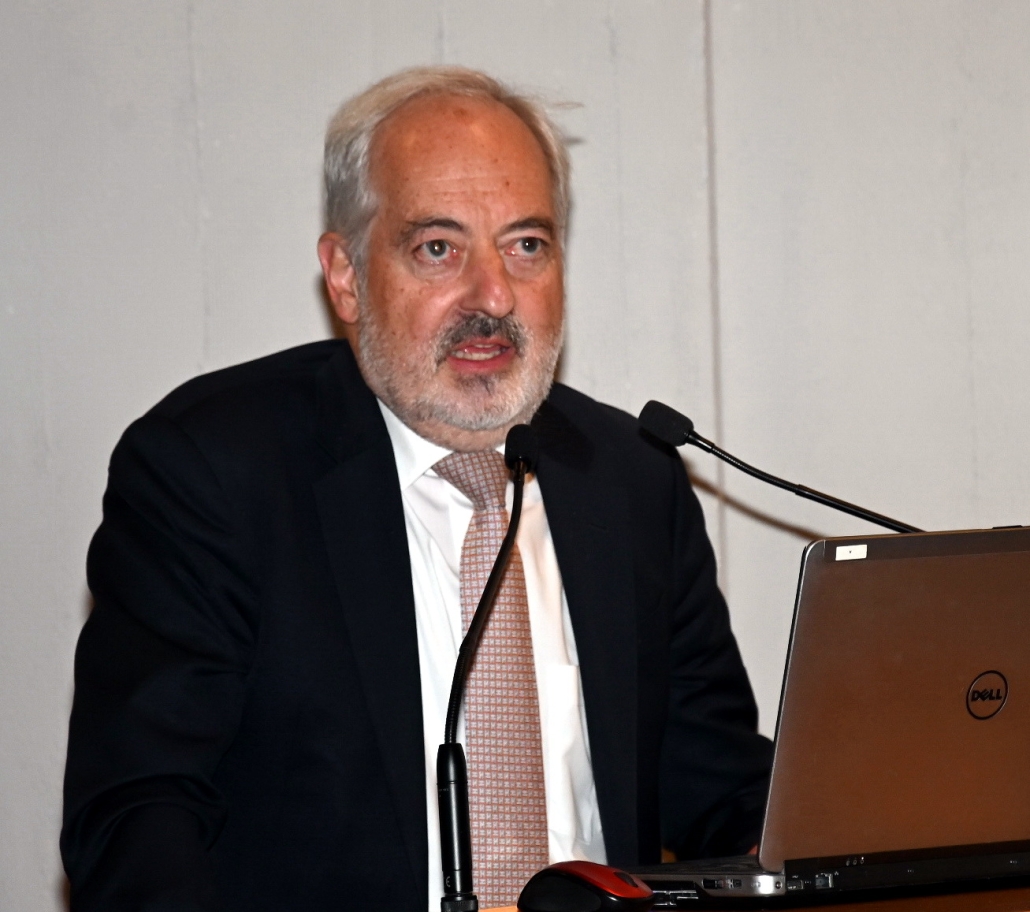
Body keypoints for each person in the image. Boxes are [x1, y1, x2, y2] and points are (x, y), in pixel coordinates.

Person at [62, 66, 772, 912]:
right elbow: (138, 817)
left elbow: (721, 789)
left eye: (526, 245)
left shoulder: (630, 479)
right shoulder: (212, 472)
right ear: (347, 275)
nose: (493, 296)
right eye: (439, 248)